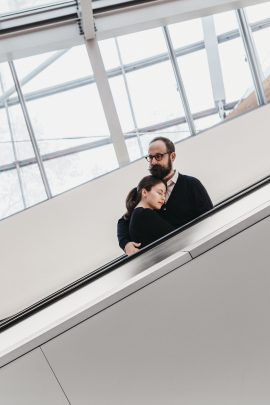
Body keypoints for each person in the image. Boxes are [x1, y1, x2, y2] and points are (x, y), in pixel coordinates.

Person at [117, 136, 213, 255]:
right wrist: (126, 244)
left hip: (195, 251)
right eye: (150, 157)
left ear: (172, 156)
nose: (153, 162)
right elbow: (123, 221)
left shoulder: (192, 184)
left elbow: (210, 219)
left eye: (158, 156)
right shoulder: (144, 189)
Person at [126, 175, 175, 249]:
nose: (163, 198)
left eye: (164, 194)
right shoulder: (145, 214)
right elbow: (176, 236)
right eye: (159, 193)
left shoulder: (138, 214)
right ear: (145, 192)